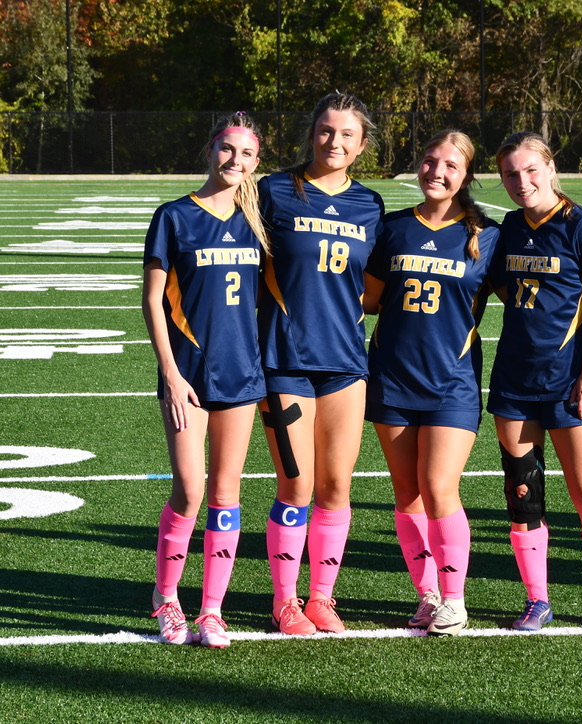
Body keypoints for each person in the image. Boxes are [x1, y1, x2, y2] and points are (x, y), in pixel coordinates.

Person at [489, 131, 582, 632]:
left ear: (551, 169)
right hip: (513, 380)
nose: (522, 181)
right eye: (511, 173)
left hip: (571, 384)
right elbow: (505, 288)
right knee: (522, 493)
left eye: (531, 170)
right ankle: (537, 600)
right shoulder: (509, 227)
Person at [362, 130, 500, 636]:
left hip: (452, 382)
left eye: (450, 165)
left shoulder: (489, 235)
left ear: (466, 175)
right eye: (429, 161)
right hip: (392, 377)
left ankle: (455, 600)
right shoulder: (393, 227)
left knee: (440, 487)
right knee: (407, 495)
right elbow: (369, 299)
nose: (436, 172)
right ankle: (427, 594)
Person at [256, 92, 384, 635]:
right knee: (296, 486)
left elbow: (375, 288)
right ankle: (284, 600)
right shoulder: (272, 191)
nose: (335, 141)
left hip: (345, 360)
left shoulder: (370, 205)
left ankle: (321, 598)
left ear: (362, 145)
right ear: (312, 133)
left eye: (347, 134)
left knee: (336, 486)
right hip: (284, 358)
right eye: (327, 130)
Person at [141, 112, 268, 648]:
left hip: (241, 373)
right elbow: (152, 299)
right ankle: (166, 598)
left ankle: (212, 610)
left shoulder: (257, 221)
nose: (234, 160)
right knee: (190, 490)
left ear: (256, 163)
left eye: (246, 153)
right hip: (188, 374)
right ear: (210, 149)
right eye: (226, 148)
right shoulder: (174, 215)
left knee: (226, 493)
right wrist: (170, 373)